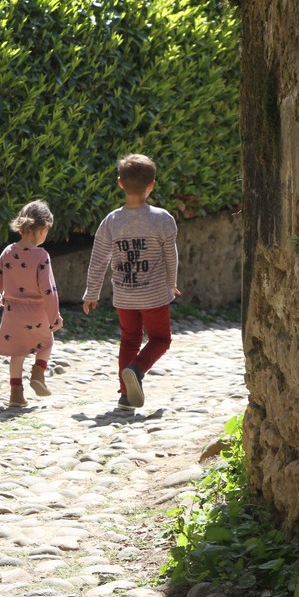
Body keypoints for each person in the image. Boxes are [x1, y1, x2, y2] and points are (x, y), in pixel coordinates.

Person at [82, 153, 179, 411]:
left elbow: (99, 259)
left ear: (120, 183)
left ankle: (126, 396)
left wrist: (92, 292)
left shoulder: (111, 221)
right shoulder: (162, 219)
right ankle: (137, 369)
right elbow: (171, 254)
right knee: (161, 339)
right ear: (152, 185)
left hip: (124, 295)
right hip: (155, 296)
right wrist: (171, 281)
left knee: (129, 339)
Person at [0, 200, 64, 408]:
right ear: (42, 229)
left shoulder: (8, 252)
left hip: (12, 311)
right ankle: (38, 372)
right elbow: (49, 290)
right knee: (46, 344)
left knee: (17, 352)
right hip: (37, 311)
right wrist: (54, 316)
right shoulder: (41, 256)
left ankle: (16, 394)